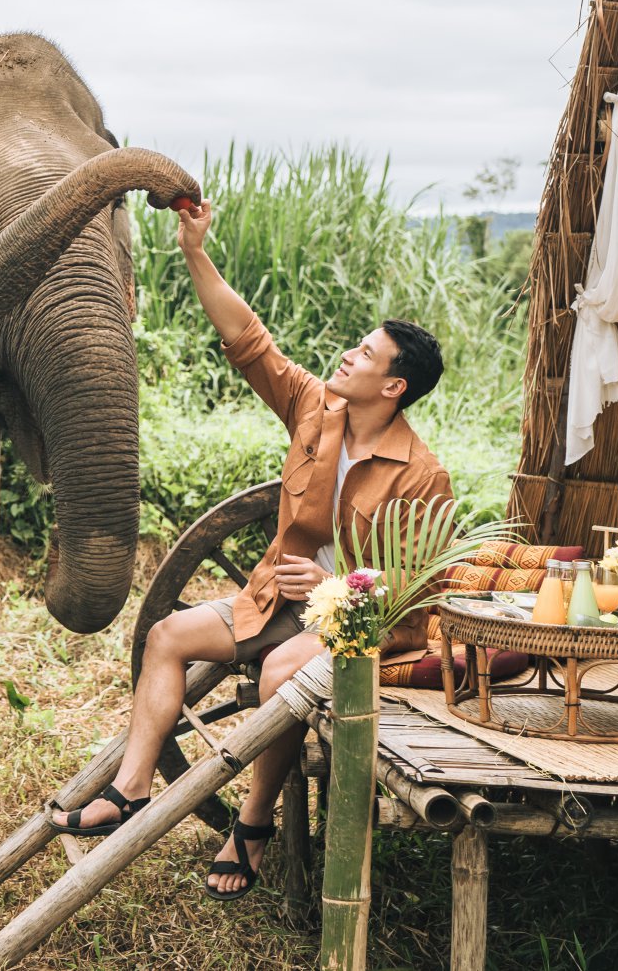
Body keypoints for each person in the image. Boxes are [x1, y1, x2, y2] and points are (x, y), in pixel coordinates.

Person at [49, 198, 453, 901]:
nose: (347, 354)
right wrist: (195, 250)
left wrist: (340, 588)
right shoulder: (313, 408)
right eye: (354, 344)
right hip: (273, 600)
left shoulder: (423, 473)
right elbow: (249, 338)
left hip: (356, 628)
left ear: (394, 386)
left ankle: (254, 821)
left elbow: (418, 588)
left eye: (364, 352)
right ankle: (131, 787)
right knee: (170, 635)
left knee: (278, 679)